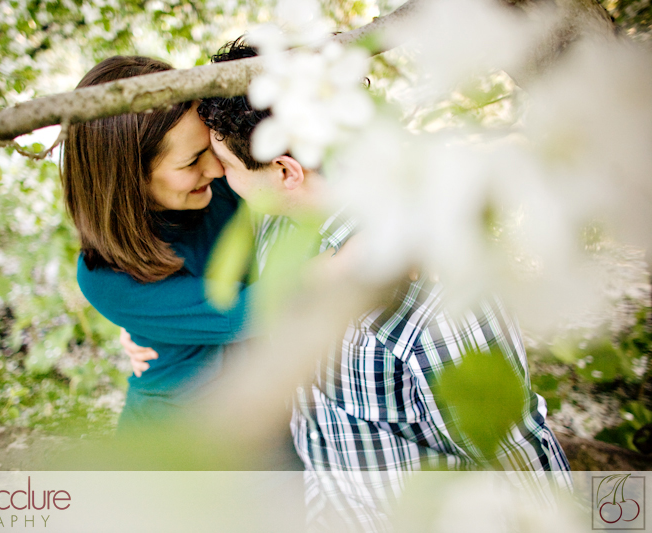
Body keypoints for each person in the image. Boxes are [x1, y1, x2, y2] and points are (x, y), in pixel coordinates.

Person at [131, 38, 573, 530]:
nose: (217, 176)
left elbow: (516, 455)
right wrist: (145, 323)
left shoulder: (428, 288)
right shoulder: (276, 225)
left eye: (228, 166)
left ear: (284, 170)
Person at [62, 56, 257, 430]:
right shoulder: (105, 276)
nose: (216, 169)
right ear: (129, 177)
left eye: (211, 149)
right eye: (192, 161)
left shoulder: (216, 188)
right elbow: (247, 312)